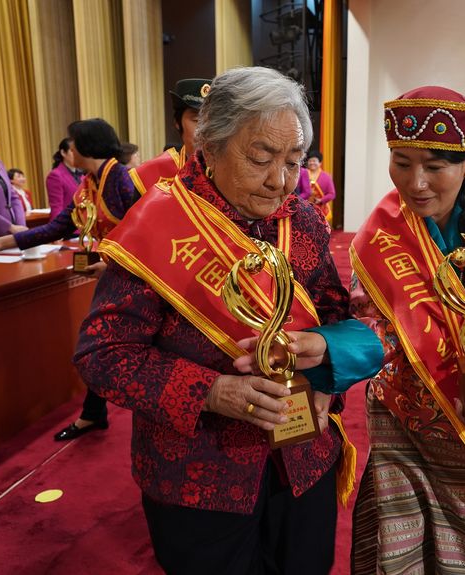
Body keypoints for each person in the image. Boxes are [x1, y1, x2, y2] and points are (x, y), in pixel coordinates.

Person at [265, 86, 465, 574]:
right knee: (391, 553)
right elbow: (378, 328)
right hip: (400, 416)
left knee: (455, 560)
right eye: (402, 162)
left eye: (434, 166)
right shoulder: (385, 232)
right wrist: (327, 345)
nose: (416, 182)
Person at [73, 67, 356, 575]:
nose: (280, 180)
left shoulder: (303, 220)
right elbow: (103, 353)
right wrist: (210, 390)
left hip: (303, 457)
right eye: (260, 158)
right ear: (211, 142)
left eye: (293, 161)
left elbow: (336, 316)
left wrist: (324, 379)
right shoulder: (157, 223)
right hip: (197, 475)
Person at [0, 118, 139, 442]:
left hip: (135, 281)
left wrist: (113, 263)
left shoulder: (122, 178)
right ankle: (94, 413)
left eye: (71, 144)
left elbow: (144, 233)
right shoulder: (89, 183)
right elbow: (56, 227)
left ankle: (101, 415)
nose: (68, 150)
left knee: (101, 345)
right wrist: (2, 243)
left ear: (86, 146)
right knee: (98, 345)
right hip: (114, 276)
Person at [129, 78, 212, 197]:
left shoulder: (231, 173)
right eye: (196, 120)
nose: (205, 129)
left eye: (212, 121)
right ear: (177, 123)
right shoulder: (152, 177)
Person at [46, 137, 84, 220]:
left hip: (86, 226)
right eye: (72, 151)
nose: (77, 154)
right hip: (69, 228)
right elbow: (56, 208)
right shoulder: (55, 175)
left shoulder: (83, 175)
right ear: (63, 152)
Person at [297, 150, 336, 224]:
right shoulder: (302, 174)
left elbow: (332, 194)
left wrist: (321, 200)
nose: (312, 163)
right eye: (310, 161)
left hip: (320, 209)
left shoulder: (326, 177)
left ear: (320, 163)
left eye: (314, 161)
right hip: (304, 207)